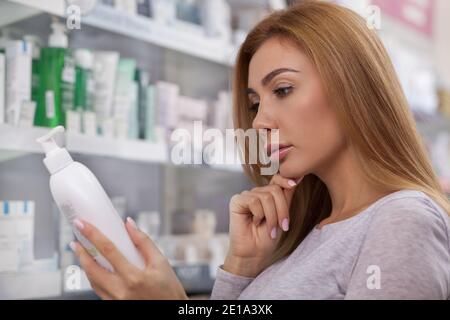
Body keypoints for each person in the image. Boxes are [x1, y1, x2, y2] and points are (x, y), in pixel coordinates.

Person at [71, 1, 450, 300]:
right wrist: (242, 267)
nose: (259, 122)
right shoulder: (310, 232)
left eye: (283, 90)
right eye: (255, 103)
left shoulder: (402, 220)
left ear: (353, 85)